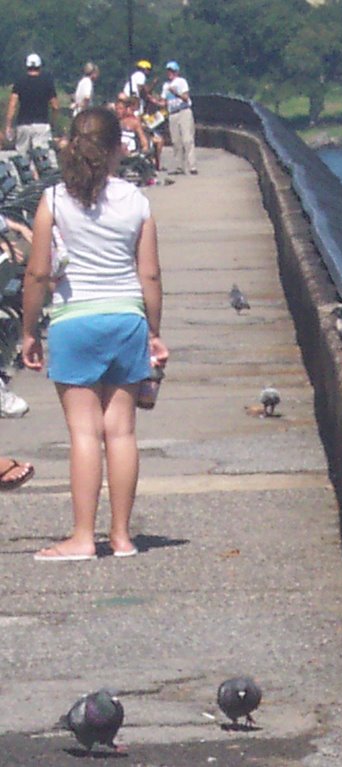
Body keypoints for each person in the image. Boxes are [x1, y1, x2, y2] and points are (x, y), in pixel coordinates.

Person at [21, 106, 169, 562]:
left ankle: (83, 537)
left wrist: (28, 331)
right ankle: (122, 537)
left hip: (73, 321)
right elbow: (150, 277)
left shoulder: (54, 201)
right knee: (121, 432)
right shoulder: (137, 202)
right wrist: (153, 332)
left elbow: (38, 273)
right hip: (126, 319)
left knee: (84, 434)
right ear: (116, 150)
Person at [4, 53, 59, 156]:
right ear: (40, 66)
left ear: (27, 66)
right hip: (41, 124)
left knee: (22, 158)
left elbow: (12, 105)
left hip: (23, 124)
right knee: (42, 159)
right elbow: (55, 106)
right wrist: (53, 123)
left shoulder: (20, 82)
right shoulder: (47, 82)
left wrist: (8, 125)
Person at [156, 61, 196, 175]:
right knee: (176, 141)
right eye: (168, 71)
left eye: (172, 71)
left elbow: (185, 97)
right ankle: (179, 167)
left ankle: (192, 166)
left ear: (177, 72)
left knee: (187, 139)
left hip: (184, 111)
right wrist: (152, 99)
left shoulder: (181, 82)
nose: (170, 73)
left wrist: (176, 93)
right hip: (172, 113)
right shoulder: (165, 86)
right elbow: (163, 102)